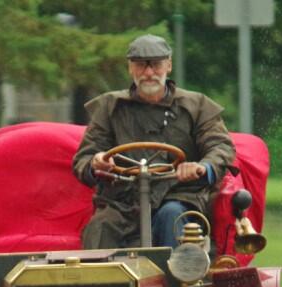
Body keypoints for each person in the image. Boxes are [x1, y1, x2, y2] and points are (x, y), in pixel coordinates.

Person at [73, 34, 237, 249]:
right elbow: (84, 158)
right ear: (130, 68)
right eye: (141, 66)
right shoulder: (109, 108)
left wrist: (200, 167)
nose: (149, 73)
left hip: (180, 195)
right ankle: (103, 283)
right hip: (123, 202)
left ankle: (178, 281)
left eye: (156, 65)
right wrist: (97, 162)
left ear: (168, 65)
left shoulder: (196, 106)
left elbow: (221, 147)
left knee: (172, 216)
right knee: (100, 228)